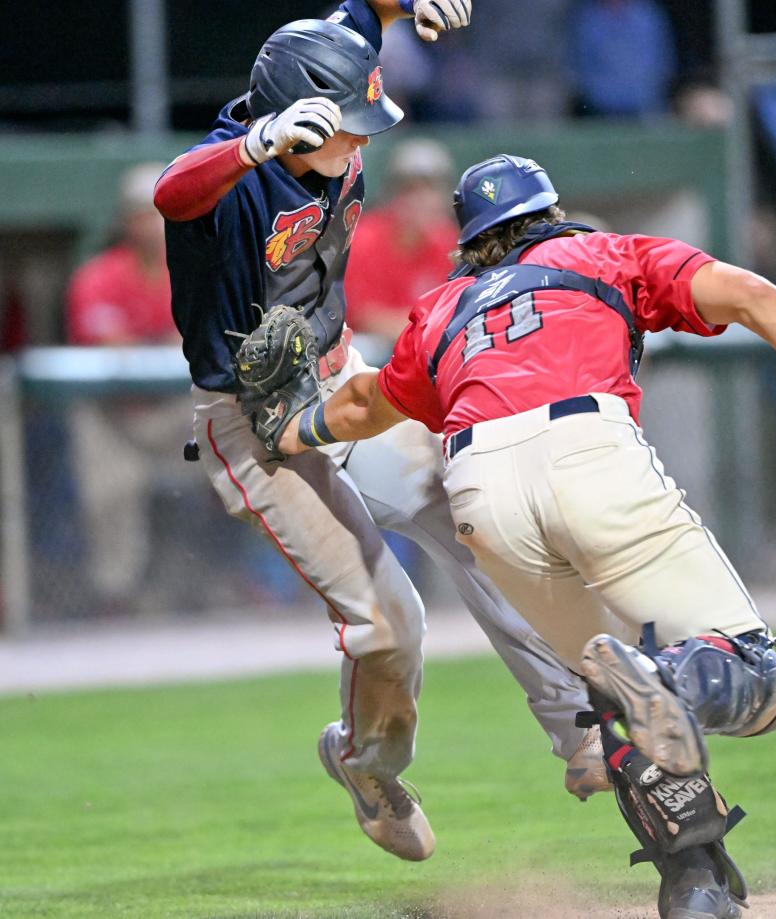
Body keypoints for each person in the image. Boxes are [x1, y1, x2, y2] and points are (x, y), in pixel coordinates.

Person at [273, 155, 776, 917]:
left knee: (617, 699)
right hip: (587, 453)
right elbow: (746, 294)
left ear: (473, 240)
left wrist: (284, 429)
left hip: (481, 492)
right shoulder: (605, 251)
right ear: (550, 214)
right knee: (762, 672)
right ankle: (668, 684)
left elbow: (360, 408)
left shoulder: (443, 307)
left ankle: (694, 882)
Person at [153, 6, 603, 865]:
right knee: (392, 619)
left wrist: (396, 5)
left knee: (480, 511)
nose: (360, 144)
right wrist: (255, 144)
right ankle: (367, 764)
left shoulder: (323, 77)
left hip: (338, 380)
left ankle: (580, 730)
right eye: (346, 127)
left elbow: (349, 17)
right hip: (252, 426)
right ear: (291, 123)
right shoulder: (234, 177)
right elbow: (172, 190)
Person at [66, 162, 193, 614]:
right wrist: (167, 341)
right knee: (111, 489)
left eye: (162, 212)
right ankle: (114, 598)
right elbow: (106, 342)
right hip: (114, 415)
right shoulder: (99, 275)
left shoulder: (196, 269)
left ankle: (228, 584)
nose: (153, 223)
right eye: (143, 213)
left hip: (180, 415)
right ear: (125, 221)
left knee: (248, 458)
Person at [344, 138, 459, 340]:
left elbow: (456, 311)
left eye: (432, 189)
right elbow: (362, 317)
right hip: (367, 354)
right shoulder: (364, 238)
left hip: (421, 347)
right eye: (410, 190)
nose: (422, 200)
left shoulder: (446, 240)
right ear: (392, 194)